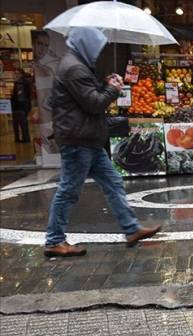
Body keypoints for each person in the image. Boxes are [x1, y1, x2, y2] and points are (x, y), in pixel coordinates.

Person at [45, 27, 161, 257]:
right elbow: (94, 103)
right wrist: (112, 89)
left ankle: (131, 229)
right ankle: (54, 240)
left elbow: (85, 97)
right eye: (96, 48)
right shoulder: (74, 68)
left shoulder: (76, 65)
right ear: (86, 44)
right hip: (79, 139)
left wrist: (104, 85)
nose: (98, 53)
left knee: (113, 181)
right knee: (69, 190)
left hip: (87, 138)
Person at [11, 70, 32, 143]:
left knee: (20, 123)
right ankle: (24, 139)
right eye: (15, 73)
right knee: (22, 123)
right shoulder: (24, 82)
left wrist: (13, 103)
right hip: (23, 106)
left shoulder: (20, 83)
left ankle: (24, 139)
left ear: (21, 74)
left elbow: (20, 97)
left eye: (17, 73)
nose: (15, 75)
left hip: (20, 107)